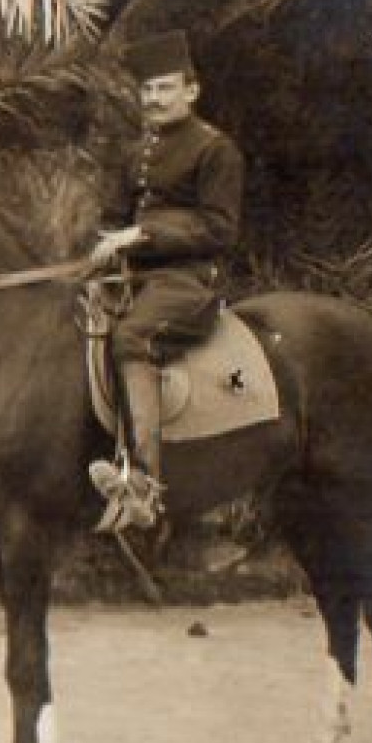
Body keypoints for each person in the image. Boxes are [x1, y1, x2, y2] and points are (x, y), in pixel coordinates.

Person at [88, 31, 244, 532]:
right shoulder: (140, 151)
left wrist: (142, 234)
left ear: (191, 91)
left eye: (164, 89)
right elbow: (115, 219)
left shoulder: (216, 150)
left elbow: (219, 229)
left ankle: (145, 484)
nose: (153, 100)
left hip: (190, 279)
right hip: (135, 276)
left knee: (132, 335)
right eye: (147, 91)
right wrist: (98, 247)